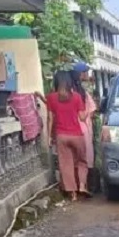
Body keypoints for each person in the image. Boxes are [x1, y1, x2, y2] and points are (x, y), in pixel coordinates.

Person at [46, 70, 90, 200]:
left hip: (61, 136)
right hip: (77, 135)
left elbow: (50, 119)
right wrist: (87, 111)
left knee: (66, 164)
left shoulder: (51, 98)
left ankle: (72, 193)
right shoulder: (76, 96)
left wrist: (49, 136)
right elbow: (82, 118)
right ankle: (82, 185)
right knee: (82, 161)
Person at [70, 61, 98, 176]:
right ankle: (84, 185)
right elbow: (91, 111)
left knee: (74, 158)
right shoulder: (82, 92)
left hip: (70, 127)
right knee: (85, 157)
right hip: (83, 126)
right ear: (80, 74)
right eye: (85, 72)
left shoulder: (69, 90)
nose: (87, 74)